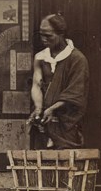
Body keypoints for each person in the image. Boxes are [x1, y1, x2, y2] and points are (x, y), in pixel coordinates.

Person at [30, 13, 89, 149]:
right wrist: (39, 108)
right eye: (41, 35)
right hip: (45, 123)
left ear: (61, 34)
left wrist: (52, 109)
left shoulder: (77, 59)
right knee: (40, 164)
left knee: (66, 164)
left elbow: (76, 92)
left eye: (48, 36)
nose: (44, 39)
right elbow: (36, 84)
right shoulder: (40, 58)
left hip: (66, 124)